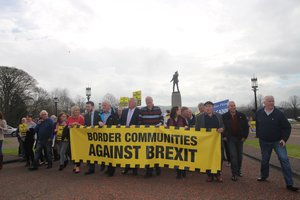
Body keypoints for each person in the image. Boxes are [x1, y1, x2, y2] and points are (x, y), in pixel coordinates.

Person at [256, 95, 299, 192]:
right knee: (265, 160)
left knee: (284, 160)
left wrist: (284, 139)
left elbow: (287, 127)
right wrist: (259, 135)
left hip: (277, 141)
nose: (272, 103)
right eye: (269, 101)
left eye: (273, 101)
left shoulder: (279, 114)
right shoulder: (259, 113)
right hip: (264, 142)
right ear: (264, 102)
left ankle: (289, 184)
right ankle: (264, 176)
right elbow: (257, 124)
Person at [195, 101, 224, 182]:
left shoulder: (218, 116)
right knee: (207, 157)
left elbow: (223, 125)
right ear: (204, 108)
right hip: (206, 142)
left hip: (217, 141)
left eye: (210, 106)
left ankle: (218, 174)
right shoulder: (199, 117)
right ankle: (209, 175)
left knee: (219, 157)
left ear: (213, 107)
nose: (208, 108)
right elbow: (197, 129)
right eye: (206, 106)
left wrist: (222, 129)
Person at [222, 101, 249, 181]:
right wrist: (224, 136)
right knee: (233, 156)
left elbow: (246, 127)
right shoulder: (224, 116)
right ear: (228, 107)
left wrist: (245, 136)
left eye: (234, 105)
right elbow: (222, 127)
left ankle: (238, 170)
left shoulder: (242, 115)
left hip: (240, 138)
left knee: (240, 156)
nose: (233, 107)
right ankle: (234, 173)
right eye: (231, 106)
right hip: (230, 139)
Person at [139, 96, 164, 177]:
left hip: (156, 135)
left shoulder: (158, 109)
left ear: (152, 101)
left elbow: (162, 119)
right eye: (147, 101)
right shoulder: (142, 110)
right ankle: (149, 171)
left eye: (149, 101)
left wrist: (158, 125)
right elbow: (139, 121)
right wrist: (145, 127)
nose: (148, 102)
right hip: (146, 135)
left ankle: (158, 168)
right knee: (148, 152)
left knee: (156, 152)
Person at [120, 98, 140, 175]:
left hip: (134, 134)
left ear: (135, 103)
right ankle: (126, 168)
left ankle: (135, 169)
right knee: (126, 152)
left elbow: (140, 122)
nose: (129, 103)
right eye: (129, 102)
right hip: (125, 134)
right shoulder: (124, 111)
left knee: (134, 152)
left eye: (131, 102)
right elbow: (121, 121)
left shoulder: (139, 111)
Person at [167, 106, 188, 179]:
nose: (180, 111)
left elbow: (187, 126)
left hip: (182, 140)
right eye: (179, 110)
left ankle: (184, 171)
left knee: (183, 156)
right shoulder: (170, 119)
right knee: (177, 157)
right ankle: (178, 173)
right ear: (175, 111)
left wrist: (186, 127)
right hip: (174, 141)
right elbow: (168, 129)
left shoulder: (182, 119)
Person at [99, 100, 119, 177]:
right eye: (102, 105)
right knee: (106, 153)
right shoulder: (101, 114)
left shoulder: (114, 114)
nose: (103, 107)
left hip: (111, 137)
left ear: (109, 106)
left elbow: (117, 124)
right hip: (103, 137)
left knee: (111, 154)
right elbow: (98, 121)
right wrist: (99, 122)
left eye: (104, 105)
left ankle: (112, 170)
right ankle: (108, 169)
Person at [84, 101, 103, 175]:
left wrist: (101, 123)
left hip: (98, 136)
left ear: (92, 106)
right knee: (90, 151)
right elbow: (85, 124)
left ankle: (102, 164)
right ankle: (91, 168)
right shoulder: (85, 115)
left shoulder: (98, 113)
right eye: (86, 107)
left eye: (88, 106)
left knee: (99, 151)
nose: (87, 108)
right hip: (89, 137)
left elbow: (102, 122)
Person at [67, 106, 85, 174]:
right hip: (71, 137)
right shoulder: (69, 118)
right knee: (70, 151)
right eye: (75, 110)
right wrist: (70, 125)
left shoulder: (81, 118)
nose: (77, 112)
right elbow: (67, 126)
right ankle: (75, 163)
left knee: (77, 151)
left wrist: (78, 124)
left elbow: (83, 127)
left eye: (78, 110)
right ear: (72, 111)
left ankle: (77, 166)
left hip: (78, 138)